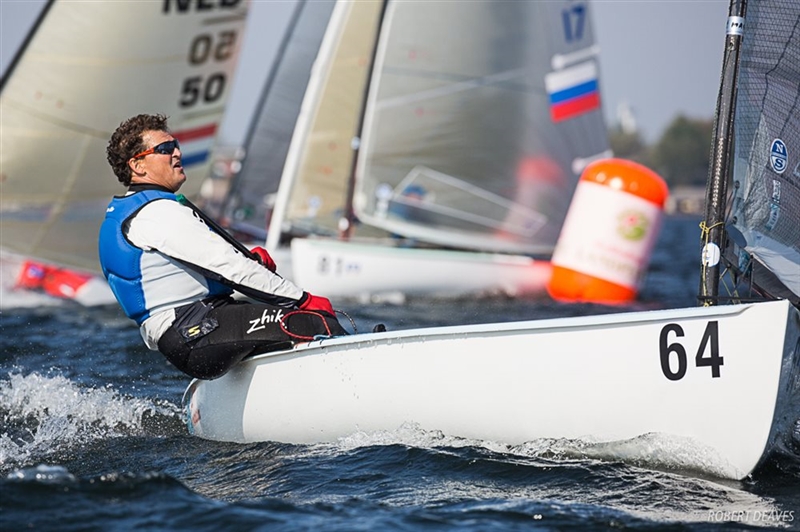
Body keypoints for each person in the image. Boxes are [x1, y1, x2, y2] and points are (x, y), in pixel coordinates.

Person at [99, 113, 347, 380]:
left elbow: (202, 264)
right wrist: (303, 300)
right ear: (138, 165)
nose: (177, 153)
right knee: (315, 322)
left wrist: (249, 260)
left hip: (194, 330)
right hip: (196, 329)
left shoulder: (135, 210)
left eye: (176, 145)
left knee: (286, 327)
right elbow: (229, 267)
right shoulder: (156, 212)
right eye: (165, 148)